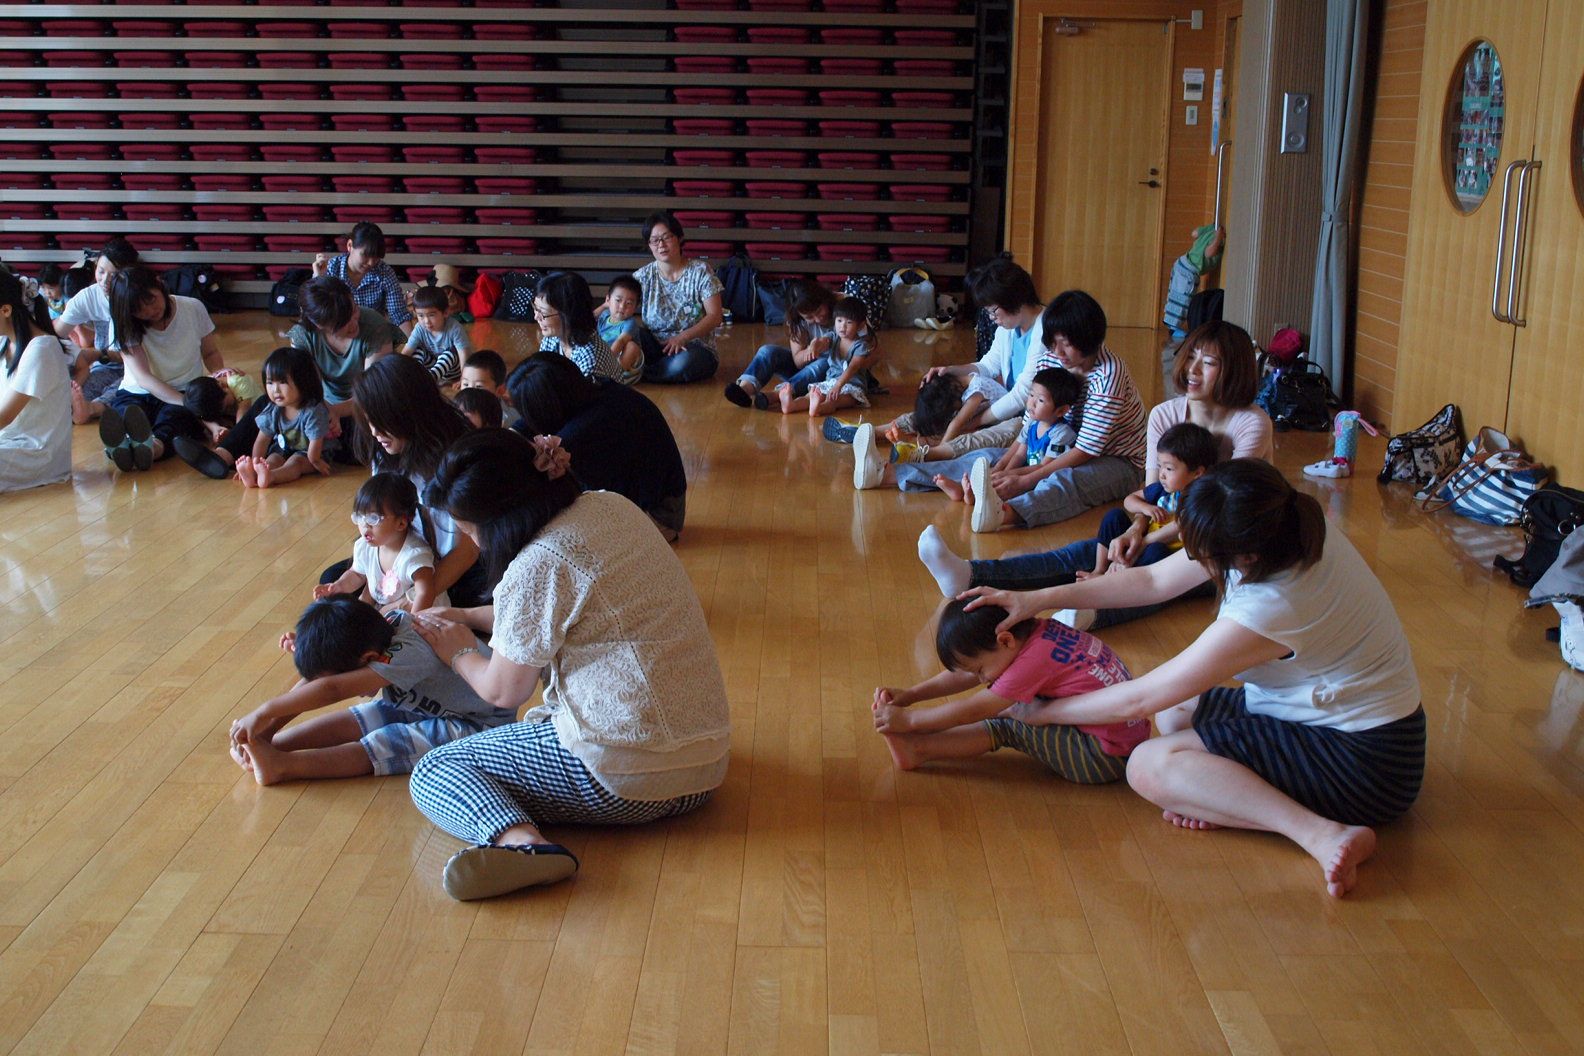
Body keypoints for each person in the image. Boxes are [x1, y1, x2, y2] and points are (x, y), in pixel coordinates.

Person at [962, 460, 1425, 898]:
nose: (1188, 549)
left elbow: (1137, 700)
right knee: (1175, 712)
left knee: (1147, 767)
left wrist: (1043, 712)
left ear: (1242, 554)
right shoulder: (1283, 522)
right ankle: (1228, 800)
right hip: (1323, 716)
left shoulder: (1275, 603)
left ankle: (1322, 834)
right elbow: (1152, 582)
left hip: (1367, 763)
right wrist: (1038, 598)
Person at [406, 429, 730, 899]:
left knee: (437, 769)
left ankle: (524, 845)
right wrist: (464, 616)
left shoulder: (538, 563)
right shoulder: (609, 506)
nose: (474, 543)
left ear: (500, 521)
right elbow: (550, 613)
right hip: (705, 764)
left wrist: (457, 651)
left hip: (628, 777)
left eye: (471, 531)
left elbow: (504, 690)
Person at [918, 421, 1219, 625]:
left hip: (1171, 557)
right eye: (1162, 467)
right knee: (1081, 551)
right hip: (1139, 541)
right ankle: (971, 574)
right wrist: (1137, 525)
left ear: (1198, 472)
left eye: (1169, 469)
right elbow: (1135, 501)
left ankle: (1093, 610)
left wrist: (1141, 540)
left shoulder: (1202, 498)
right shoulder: (1166, 485)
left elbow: (1182, 528)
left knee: (1151, 569)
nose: (1162, 474)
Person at [896, 290, 1144, 533]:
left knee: (1064, 480)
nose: (1058, 352)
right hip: (1056, 445)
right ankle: (895, 473)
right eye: (1053, 343)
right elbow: (1030, 424)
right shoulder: (1051, 360)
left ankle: (1003, 513)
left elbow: (1085, 451)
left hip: (1116, 459)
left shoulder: (1108, 377)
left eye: (1067, 345)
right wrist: (1005, 466)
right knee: (988, 457)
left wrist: (1025, 479)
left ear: (1090, 340)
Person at [228, 594, 515, 785]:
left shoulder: (409, 653)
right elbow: (320, 683)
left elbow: (331, 689)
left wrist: (264, 711)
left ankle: (283, 765)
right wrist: (266, 730)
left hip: (477, 724)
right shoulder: (377, 633)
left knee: (385, 743)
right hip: (426, 702)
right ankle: (274, 746)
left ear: (368, 658)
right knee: (365, 716)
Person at [872, 599, 1148, 782]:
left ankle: (918, 749)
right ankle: (922, 739)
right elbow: (966, 675)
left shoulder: (1032, 660)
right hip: (1122, 740)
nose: (981, 677)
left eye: (980, 669)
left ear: (1005, 640)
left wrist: (910, 720)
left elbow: (972, 710)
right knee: (1009, 705)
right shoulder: (1037, 633)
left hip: (1103, 757)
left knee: (1006, 720)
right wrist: (912, 695)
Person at [872, 259, 1047, 461]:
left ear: (1013, 299)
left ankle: (929, 455)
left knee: (1007, 430)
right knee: (943, 407)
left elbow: (1022, 394)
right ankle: (877, 431)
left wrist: (975, 421)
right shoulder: (1008, 328)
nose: (992, 318)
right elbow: (989, 365)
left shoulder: (1044, 328)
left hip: (1030, 416)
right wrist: (950, 370)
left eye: (993, 311)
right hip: (1003, 405)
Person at [351, 354, 489, 607]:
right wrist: (370, 593)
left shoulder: (458, 457)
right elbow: (384, 526)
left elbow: (469, 549)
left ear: (410, 412)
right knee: (340, 584)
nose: (374, 432)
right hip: (408, 556)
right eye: (369, 420)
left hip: (459, 569)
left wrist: (406, 601)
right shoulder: (385, 452)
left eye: (382, 421)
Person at [507, 353, 689, 541]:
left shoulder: (578, 435)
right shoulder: (591, 389)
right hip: (662, 503)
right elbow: (524, 425)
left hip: (658, 518)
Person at [99, 265, 224, 472]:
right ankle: (125, 443)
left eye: (151, 300)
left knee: (173, 423)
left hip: (184, 390)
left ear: (159, 284)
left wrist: (217, 379)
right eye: (139, 310)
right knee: (128, 412)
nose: (149, 311)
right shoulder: (123, 321)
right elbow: (143, 378)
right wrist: (188, 404)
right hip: (137, 391)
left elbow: (210, 353)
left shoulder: (193, 308)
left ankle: (150, 449)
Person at [924, 366, 1082, 502]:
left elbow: (1044, 467)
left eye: (1040, 400)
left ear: (1061, 410)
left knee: (1021, 486)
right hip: (1028, 468)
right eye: (1031, 395)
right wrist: (1000, 470)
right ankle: (966, 489)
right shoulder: (1032, 424)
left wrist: (1009, 475)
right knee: (995, 470)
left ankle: (971, 494)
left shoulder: (1061, 434)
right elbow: (1019, 455)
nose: (1032, 403)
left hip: (1040, 476)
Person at [318, 473, 447, 613]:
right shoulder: (365, 546)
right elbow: (357, 574)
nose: (364, 525)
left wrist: (412, 622)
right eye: (359, 516)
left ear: (401, 523)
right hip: (386, 608)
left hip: (423, 614)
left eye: (373, 519)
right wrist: (337, 587)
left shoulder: (414, 555)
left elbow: (425, 593)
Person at [287, 275, 406, 413]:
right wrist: (325, 412)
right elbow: (310, 389)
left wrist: (336, 412)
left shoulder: (375, 325)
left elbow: (374, 390)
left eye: (354, 310)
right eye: (343, 323)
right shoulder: (302, 336)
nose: (354, 323)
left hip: (371, 404)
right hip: (326, 404)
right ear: (319, 324)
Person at [0, 270, 72, 493]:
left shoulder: (41, 349)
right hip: (9, 443)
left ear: (5, 310)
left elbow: (4, 417)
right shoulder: (4, 342)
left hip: (37, 455)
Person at [633, 211, 723, 384]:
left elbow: (715, 316)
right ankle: (655, 371)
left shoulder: (700, 271)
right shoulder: (642, 276)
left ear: (679, 238)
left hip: (693, 347)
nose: (661, 245)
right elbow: (618, 303)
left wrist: (683, 337)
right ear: (649, 245)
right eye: (654, 240)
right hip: (656, 348)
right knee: (632, 333)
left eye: (667, 237)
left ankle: (640, 373)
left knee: (683, 363)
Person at [57, 238, 139, 423]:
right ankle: (84, 407)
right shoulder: (88, 296)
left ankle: (93, 409)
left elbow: (137, 356)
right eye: (101, 271)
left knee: (131, 389)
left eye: (115, 275)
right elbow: (55, 334)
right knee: (81, 394)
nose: (105, 280)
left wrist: (98, 354)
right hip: (106, 365)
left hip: (139, 366)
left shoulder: (138, 299)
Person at [723, 281, 835, 410]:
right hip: (805, 369)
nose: (818, 319)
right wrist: (810, 351)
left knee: (823, 362)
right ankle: (745, 388)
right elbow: (798, 362)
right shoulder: (797, 322)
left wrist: (825, 345)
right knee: (767, 351)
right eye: (809, 317)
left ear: (824, 300)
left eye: (819, 311)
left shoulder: (840, 309)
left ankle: (777, 394)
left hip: (832, 373)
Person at [234, 346, 332, 489]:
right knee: (272, 459)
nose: (275, 390)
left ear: (304, 381)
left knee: (295, 463)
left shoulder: (313, 411)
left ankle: (271, 477)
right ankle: (255, 475)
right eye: (270, 382)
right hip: (283, 450)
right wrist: (256, 463)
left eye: (283, 382)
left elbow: (315, 445)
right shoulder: (273, 409)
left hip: (312, 454)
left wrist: (316, 462)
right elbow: (262, 440)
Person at [776, 296, 873, 416]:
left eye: (849, 322)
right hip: (831, 382)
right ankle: (791, 405)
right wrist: (814, 346)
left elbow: (853, 367)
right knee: (811, 395)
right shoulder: (834, 337)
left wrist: (838, 386)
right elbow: (824, 341)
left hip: (852, 386)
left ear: (860, 325)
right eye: (839, 321)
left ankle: (818, 409)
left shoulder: (861, 346)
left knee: (833, 400)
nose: (842, 327)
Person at [310, 221, 413, 334]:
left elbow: (399, 314)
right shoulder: (331, 268)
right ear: (350, 245)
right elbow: (316, 312)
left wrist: (411, 342)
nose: (371, 263)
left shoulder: (385, 272)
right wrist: (318, 277)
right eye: (365, 255)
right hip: (338, 333)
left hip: (373, 334)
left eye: (376, 257)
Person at [534, 271, 621, 381]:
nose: (536, 317)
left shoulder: (590, 359)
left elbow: (583, 392)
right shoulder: (551, 338)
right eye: (535, 308)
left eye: (543, 312)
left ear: (568, 315)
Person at [402, 285, 469, 386]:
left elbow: (464, 354)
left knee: (450, 353)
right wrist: (398, 371)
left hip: (452, 372)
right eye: (421, 315)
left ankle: (428, 379)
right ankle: (417, 376)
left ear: (445, 312)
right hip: (432, 367)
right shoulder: (419, 328)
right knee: (417, 350)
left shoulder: (455, 328)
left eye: (431, 315)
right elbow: (406, 352)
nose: (426, 321)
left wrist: (464, 379)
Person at [596, 274, 644, 384]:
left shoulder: (630, 323)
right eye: (618, 300)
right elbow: (588, 318)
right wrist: (603, 306)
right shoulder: (604, 315)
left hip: (626, 365)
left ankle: (615, 377)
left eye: (629, 303)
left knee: (631, 346)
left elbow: (621, 341)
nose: (622, 306)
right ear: (608, 299)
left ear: (636, 307)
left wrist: (607, 361)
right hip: (604, 357)